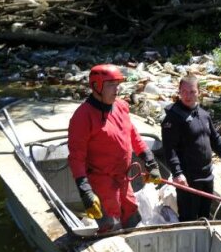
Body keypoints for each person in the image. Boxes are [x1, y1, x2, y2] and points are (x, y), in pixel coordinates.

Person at [68, 64, 161, 232]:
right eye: (111, 85)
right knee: (110, 228)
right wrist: (86, 192)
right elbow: (76, 158)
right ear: (96, 86)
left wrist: (150, 162)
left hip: (124, 180)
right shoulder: (82, 117)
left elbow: (133, 135)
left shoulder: (120, 106)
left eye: (117, 85)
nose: (116, 89)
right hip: (101, 184)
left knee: (133, 218)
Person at [161, 75, 221, 221]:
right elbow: (169, 149)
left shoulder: (204, 115)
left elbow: (215, 140)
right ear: (179, 92)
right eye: (184, 91)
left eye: (192, 92)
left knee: (205, 217)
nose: (187, 96)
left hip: (206, 176)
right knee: (189, 219)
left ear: (199, 92)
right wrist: (177, 173)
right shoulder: (173, 118)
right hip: (187, 179)